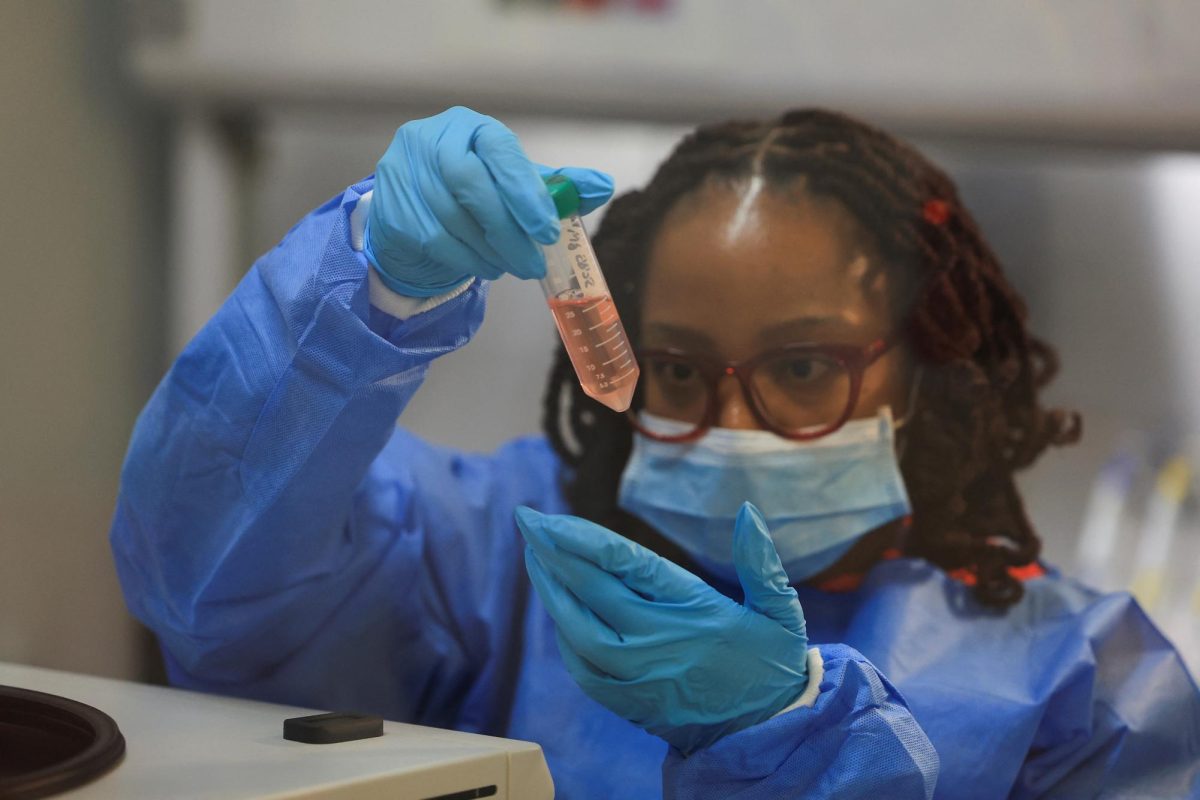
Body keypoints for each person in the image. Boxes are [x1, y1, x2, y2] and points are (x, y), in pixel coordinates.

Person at [110, 106, 1200, 799]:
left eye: (805, 366)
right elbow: (210, 573)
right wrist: (379, 283)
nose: (732, 423)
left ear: (922, 369)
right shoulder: (518, 555)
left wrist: (798, 742)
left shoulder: (1072, 682)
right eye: (679, 368)